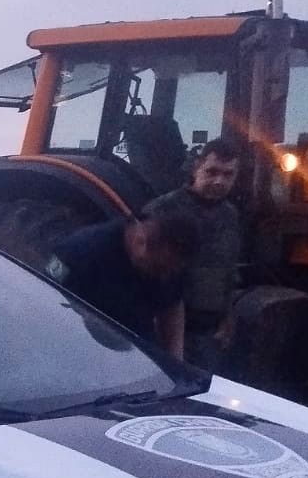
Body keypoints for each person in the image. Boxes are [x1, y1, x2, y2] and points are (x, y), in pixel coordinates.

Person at [142, 137, 244, 370]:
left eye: (228, 175)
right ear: (197, 168)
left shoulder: (231, 216)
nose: (219, 181)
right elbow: (145, 273)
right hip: (167, 330)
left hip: (209, 333)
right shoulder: (163, 210)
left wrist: (228, 316)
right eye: (212, 172)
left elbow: (229, 270)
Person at [44, 211, 200, 358]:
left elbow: (172, 304)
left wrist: (174, 361)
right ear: (140, 241)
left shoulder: (169, 257)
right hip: (79, 349)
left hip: (139, 354)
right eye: (159, 268)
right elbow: (45, 301)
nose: (164, 275)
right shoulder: (79, 250)